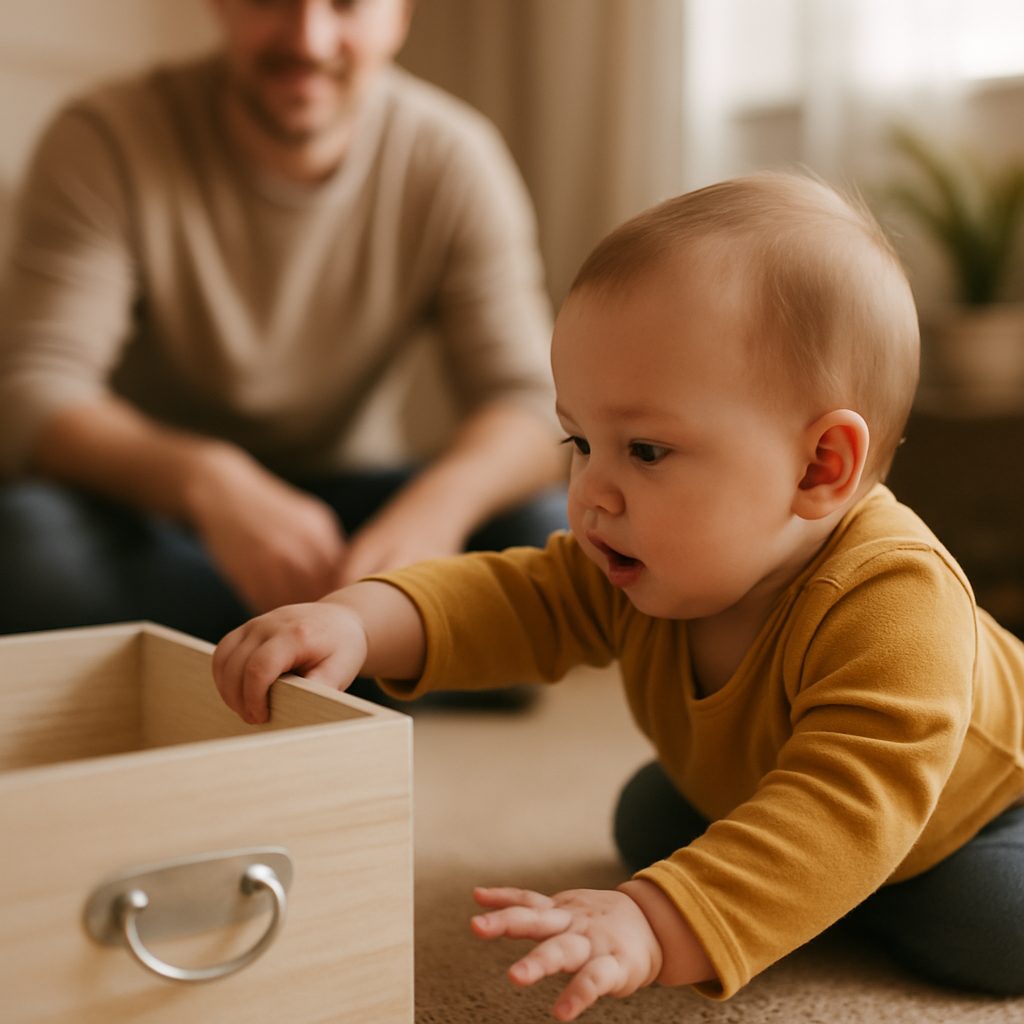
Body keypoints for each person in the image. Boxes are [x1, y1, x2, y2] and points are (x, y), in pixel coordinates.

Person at [211, 172, 1024, 1018]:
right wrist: (356, 620)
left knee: (993, 924)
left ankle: (828, 893)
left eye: (644, 451)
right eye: (579, 442)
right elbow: (509, 600)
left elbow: (848, 807)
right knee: (650, 818)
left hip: (971, 814)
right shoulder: (643, 562)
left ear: (820, 467)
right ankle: (793, 892)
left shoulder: (897, 600)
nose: (591, 494)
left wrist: (657, 921)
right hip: (780, 792)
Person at [0, 0, 566, 675]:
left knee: (541, 534)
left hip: (351, 510)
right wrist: (208, 482)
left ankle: (251, 655)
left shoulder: (453, 155)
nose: (309, 39)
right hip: (159, 510)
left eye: (346, 4)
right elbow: (34, 392)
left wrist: (433, 513)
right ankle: (366, 652)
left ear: (400, 14)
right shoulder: (105, 137)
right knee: (31, 549)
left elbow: (532, 405)